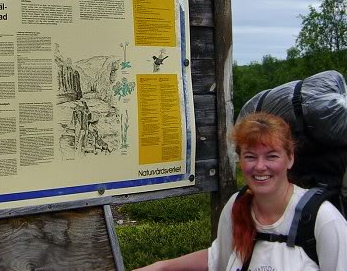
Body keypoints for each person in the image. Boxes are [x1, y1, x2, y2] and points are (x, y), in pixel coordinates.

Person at [136, 112, 347, 271]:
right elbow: (219, 258)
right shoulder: (237, 205)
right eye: (250, 156)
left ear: (290, 158)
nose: (260, 166)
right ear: (240, 159)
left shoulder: (323, 220)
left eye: (272, 156)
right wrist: (161, 266)